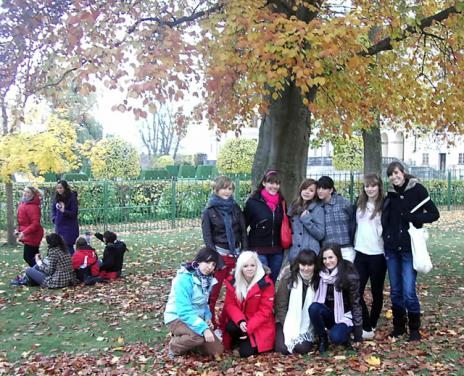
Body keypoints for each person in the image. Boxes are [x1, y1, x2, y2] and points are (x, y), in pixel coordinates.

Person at [382, 161, 439, 341]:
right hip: (392, 250)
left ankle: (414, 328)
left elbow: (433, 213)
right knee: (396, 291)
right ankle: (399, 327)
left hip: (409, 249)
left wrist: (414, 218)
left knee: (408, 290)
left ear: (403, 173)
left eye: (396, 173)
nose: (394, 177)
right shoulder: (390, 194)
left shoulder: (417, 190)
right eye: (390, 175)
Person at [201, 175, 247, 327]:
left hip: (236, 255)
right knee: (213, 293)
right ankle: (210, 323)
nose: (227, 192)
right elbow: (208, 239)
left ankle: (228, 323)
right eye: (223, 188)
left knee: (234, 293)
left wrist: (244, 254)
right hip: (219, 255)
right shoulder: (209, 211)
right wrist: (216, 260)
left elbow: (242, 231)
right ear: (216, 190)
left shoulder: (235, 207)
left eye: (230, 189)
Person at [164, 247, 224, 357]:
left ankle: (190, 341)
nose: (210, 267)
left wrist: (207, 317)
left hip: (195, 317)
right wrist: (204, 328)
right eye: (207, 262)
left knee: (217, 350)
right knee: (198, 336)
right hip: (177, 317)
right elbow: (183, 311)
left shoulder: (208, 279)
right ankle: (174, 346)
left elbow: (204, 303)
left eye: (213, 264)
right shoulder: (184, 279)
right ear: (198, 261)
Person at [309, 245, 362, 353]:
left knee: (336, 337)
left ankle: (344, 336)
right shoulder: (321, 273)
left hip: (345, 315)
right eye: (324, 258)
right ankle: (322, 338)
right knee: (314, 308)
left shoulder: (348, 273)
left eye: (330, 257)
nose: (327, 261)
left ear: (338, 256)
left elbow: (355, 304)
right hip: (329, 313)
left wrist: (358, 334)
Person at [221, 251, 275, 358]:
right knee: (231, 327)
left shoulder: (266, 283)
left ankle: (243, 340)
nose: (249, 269)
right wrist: (240, 320)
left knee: (246, 353)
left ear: (257, 266)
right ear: (240, 267)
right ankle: (238, 339)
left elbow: (265, 311)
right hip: (241, 320)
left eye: (252, 265)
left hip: (258, 323)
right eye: (245, 266)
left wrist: (247, 328)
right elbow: (230, 305)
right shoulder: (233, 281)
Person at [353, 173, 386, 340]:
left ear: (379, 187)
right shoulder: (359, 204)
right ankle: (366, 325)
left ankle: (372, 324)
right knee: (356, 291)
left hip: (378, 255)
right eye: (367, 186)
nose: (370, 189)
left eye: (373, 185)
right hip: (360, 253)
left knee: (376, 292)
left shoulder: (385, 205)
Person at [244, 170, 286, 282]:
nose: (274, 186)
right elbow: (243, 225)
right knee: (261, 280)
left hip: (277, 250)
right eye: (271, 183)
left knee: (272, 281)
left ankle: (270, 300)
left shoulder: (282, 202)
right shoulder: (253, 202)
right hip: (258, 249)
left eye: (277, 183)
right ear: (264, 183)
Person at [274, 249, 319, 355]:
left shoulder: (318, 281)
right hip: (286, 320)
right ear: (298, 264)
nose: (306, 268)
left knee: (302, 348)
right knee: (282, 349)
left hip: (307, 324)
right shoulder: (288, 279)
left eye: (310, 265)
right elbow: (280, 306)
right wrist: (289, 325)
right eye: (303, 264)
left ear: (315, 265)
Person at [317, 176, 355, 262]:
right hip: (328, 250)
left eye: (324, 188)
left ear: (331, 190)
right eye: (319, 188)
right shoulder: (317, 206)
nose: (320, 191)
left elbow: (353, 221)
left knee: (347, 274)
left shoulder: (344, 202)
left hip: (346, 247)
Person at [288, 178, 325, 262]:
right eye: (304, 188)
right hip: (294, 253)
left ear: (315, 194)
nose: (307, 192)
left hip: (310, 254)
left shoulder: (317, 209)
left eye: (311, 190)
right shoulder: (294, 206)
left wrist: (306, 220)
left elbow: (320, 235)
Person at [16, 186, 44, 267]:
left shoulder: (33, 207)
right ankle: (38, 273)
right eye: (24, 191)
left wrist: (24, 233)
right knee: (33, 257)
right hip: (28, 235)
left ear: (33, 195)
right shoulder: (24, 203)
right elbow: (22, 221)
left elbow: (35, 224)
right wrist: (18, 230)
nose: (25, 193)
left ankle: (40, 273)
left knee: (29, 257)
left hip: (34, 235)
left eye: (28, 192)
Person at [51, 180, 79, 255]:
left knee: (68, 247)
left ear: (65, 188)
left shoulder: (72, 197)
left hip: (69, 227)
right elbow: (53, 209)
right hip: (59, 225)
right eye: (57, 188)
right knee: (60, 248)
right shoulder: (56, 197)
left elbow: (74, 213)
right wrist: (54, 219)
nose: (59, 190)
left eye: (61, 188)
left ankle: (74, 264)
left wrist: (64, 211)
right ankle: (65, 264)